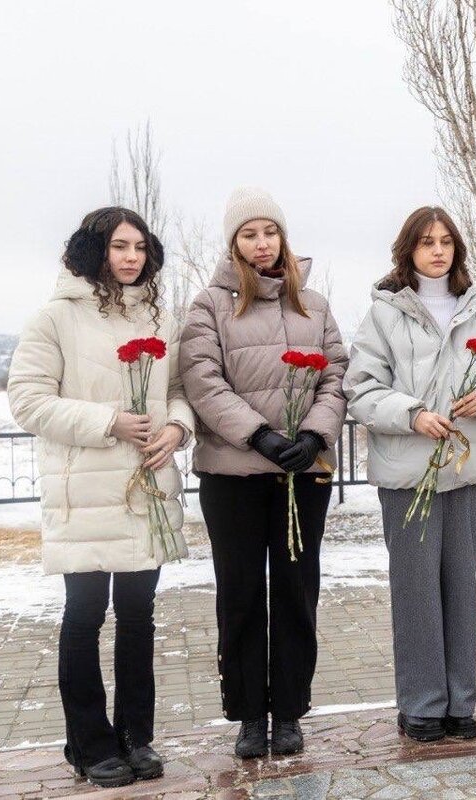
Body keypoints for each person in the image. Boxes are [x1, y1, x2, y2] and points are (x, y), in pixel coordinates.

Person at [8, 207, 192, 788]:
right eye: (119, 246)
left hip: (146, 490)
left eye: (139, 246)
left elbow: (181, 390)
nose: (131, 257)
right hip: (84, 492)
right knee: (84, 615)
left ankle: (136, 736)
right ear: (95, 250)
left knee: (139, 617)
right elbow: (28, 402)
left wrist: (177, 429)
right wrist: (108, 421)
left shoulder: (162, 317)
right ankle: (88, 744)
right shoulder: (55, 318)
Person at [179, 187, 348, 758]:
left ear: (283, 237)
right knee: (242, 592)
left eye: (269, 232)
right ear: (233, 243)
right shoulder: (209, 306)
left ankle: (290, 710)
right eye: (248, 234)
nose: (261, 243)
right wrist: (259, 435)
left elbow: (336, 374)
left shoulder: (315, 304)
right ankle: (250, 712)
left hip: (303, 471)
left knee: (297, 591)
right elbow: (203, 379)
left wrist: (314, 434)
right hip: (234, 474)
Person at [343, 206, 476, 743]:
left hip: (465, 469)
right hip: (408, 470)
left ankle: (460, 702)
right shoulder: (384, 315)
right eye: (426, 242)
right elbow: (362, 388)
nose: (437, 250)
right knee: (416, 589)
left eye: (446, 241)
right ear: (409, 252)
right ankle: (421, 703)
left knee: (460, 587)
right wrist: (413, 413)